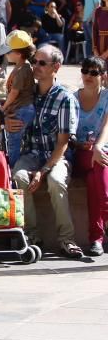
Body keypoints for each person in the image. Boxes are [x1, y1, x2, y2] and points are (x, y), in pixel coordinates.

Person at [7, 45, 83, 258]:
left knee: (55, 181)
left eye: (42, 63)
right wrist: (6, 121)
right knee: (19, 177)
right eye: (34, 61)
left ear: (56, 67)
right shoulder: (27, 93)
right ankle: (31, 235)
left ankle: (66, 238)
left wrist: (43, 170)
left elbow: (63, 143)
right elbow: (4, 109)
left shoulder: (65, 98)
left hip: (57, 156)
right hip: (31, 154)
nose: (36, 67)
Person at [71, 56, 108, 256]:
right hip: (80, 153)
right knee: (98, 165)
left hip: (101, 152)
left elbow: (106, 128)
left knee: (96, 176)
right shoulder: (73, 98)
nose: (88, 76)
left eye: (94, 73)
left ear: (103, 76)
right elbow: (68, 133)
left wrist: (98, 147)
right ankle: (100, 230)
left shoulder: (107, 97)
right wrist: (81, 144)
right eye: (85, 71)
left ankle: (96, 239)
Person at [0, 30, 36, 167]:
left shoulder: (21, 70)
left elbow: (14, 93)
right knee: (12, 139)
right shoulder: (23, 67)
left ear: (18, 54)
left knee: (13, 140)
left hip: (22, 109)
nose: (6, 55)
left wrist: (4, 107)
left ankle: (10, 167)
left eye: (8, 52)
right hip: (22, 107)